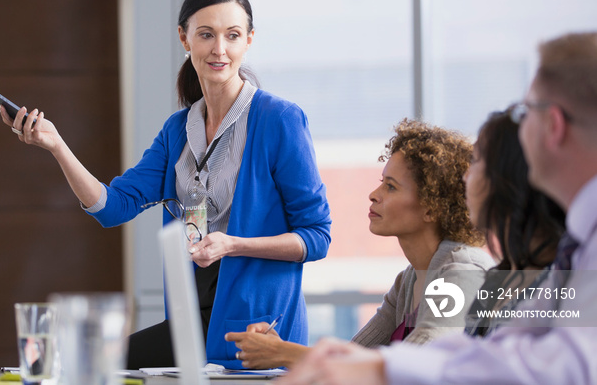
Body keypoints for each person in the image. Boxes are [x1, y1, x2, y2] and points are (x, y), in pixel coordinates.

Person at [0, 0, 332, 369]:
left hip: (255, 331)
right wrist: (56, 145)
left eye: (233, 36)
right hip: (190, 325)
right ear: (184, 38)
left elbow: (317, 236)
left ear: (249, 40)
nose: (219, 49)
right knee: (95, 366)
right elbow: (112, 207)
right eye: (206, 35)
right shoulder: (178, 131)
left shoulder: (279, 120)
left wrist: (232, 244)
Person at [276, 31, 597, 385]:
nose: (464, 180)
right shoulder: (556, 256)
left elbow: (560, 365)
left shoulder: (466, 269)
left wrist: (362, 366)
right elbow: (498, 353)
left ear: (553, 125)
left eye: (526, 112)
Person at [226, 119, 494, 369]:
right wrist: (281, 348)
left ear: (432, 207)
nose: (373, 195)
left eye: (390, 187)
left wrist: (286, 353)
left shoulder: (463, 271)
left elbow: (417, 365)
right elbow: (357, 354)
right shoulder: (408, 282)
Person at [464, 109, 565, 337]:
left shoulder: (560, 284)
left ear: (507, 175)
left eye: (475, 161)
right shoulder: (495, 279)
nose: (465, 176)